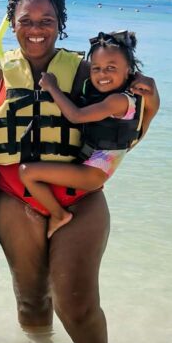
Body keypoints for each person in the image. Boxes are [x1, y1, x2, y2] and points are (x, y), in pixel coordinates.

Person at [0, 0, 160, 343]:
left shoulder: (85, 72)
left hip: (80, 200)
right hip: (14, 201)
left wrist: (152, 105)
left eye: (47, 21)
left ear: (61, 24)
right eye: (26, 20)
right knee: (31, 303)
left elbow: (123, 138)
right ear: (12, 23)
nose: (36, 30)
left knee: (75, 306)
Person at [20, 30, 153, 238]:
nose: (102, 75)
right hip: (96, 167)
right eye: (96, 68)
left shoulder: (117, 101)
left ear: (129, 70)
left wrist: (51, 86)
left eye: (111, 68)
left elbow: (75, 116)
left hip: (93, 174)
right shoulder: (121, 95)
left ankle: (59, 215)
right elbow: (147, 117)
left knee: (27, 172)